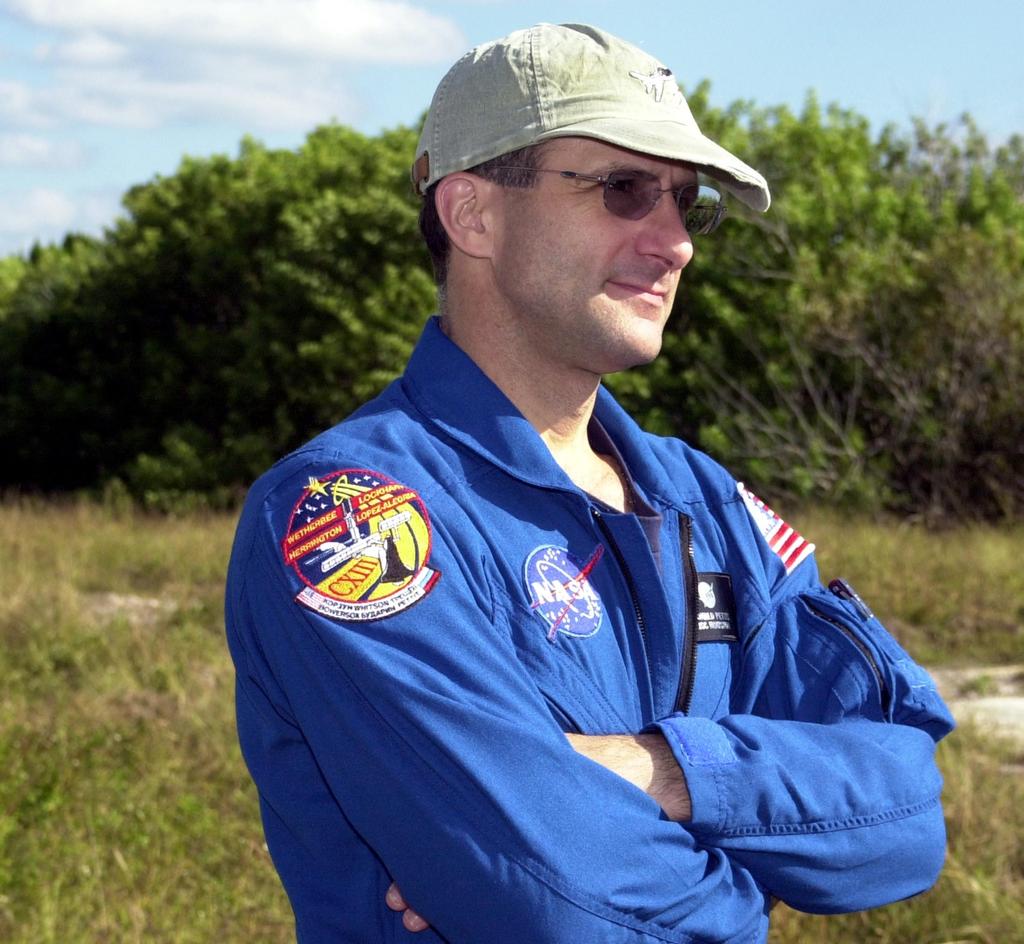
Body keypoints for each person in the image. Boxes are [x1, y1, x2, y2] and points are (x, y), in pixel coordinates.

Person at [225, 22, 955, 943]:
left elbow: (905, 818)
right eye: (624, 190)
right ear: (473, 213)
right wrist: (751, 866)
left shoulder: (704, 501)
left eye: (688, 203)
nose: (676, 242)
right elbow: (558, 904)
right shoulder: (351, 516)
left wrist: (665, 771)